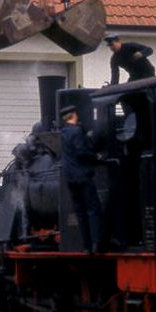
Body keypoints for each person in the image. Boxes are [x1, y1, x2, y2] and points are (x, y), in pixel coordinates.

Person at [59, 105, 103, 253]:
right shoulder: (76, 131)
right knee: (93, 209)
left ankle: (86, 246)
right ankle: (97, 243)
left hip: (70, 178)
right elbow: (81, 151)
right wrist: (96, 156)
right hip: (82, 176)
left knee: (80, 212)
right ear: (73, 115)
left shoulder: (63, 132)